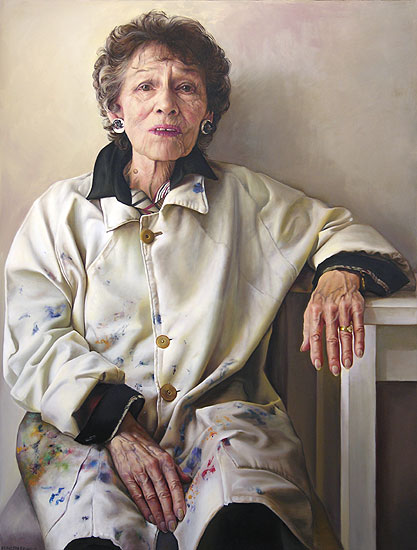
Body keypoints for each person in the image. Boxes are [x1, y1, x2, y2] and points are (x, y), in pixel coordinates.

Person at [3, 11, 412, 550]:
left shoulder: (245, 197)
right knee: (95, 537)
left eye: (186, 88)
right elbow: (34, 340)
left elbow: (338, 230)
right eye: (145, 86)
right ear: (115, 109)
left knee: (243, 524)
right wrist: (119, 427)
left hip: (219, 420)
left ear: (208, 112)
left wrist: (339, 276)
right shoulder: (61, 211)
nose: (166, 104)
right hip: (86, 426)